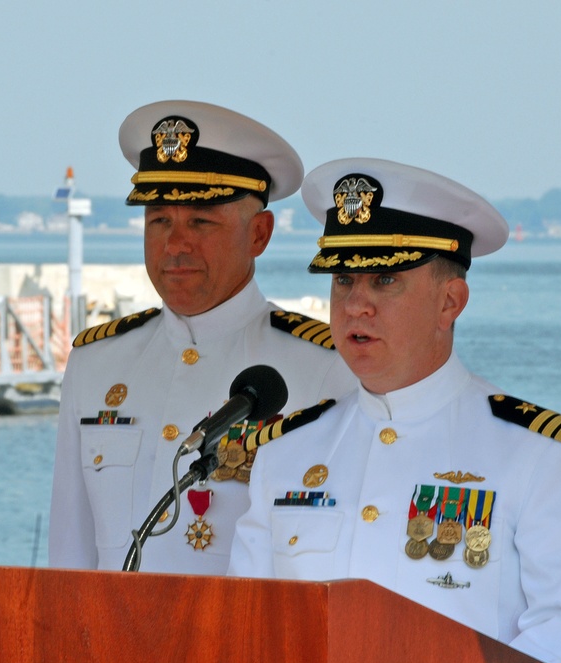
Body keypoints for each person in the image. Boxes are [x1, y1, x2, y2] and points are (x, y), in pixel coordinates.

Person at [227, 158, 561, 663]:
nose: (355, 304)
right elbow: (249, 627)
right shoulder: (287, 454)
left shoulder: (539, 454)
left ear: (450, 302)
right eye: (344, 280)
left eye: (384, 279)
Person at [48, 101, 356, 575]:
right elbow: (69, 555)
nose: (175, 244)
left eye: (200, 222)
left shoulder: (322, 369)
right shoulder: (97, 363)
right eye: (159, 221)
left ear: (259, 234)